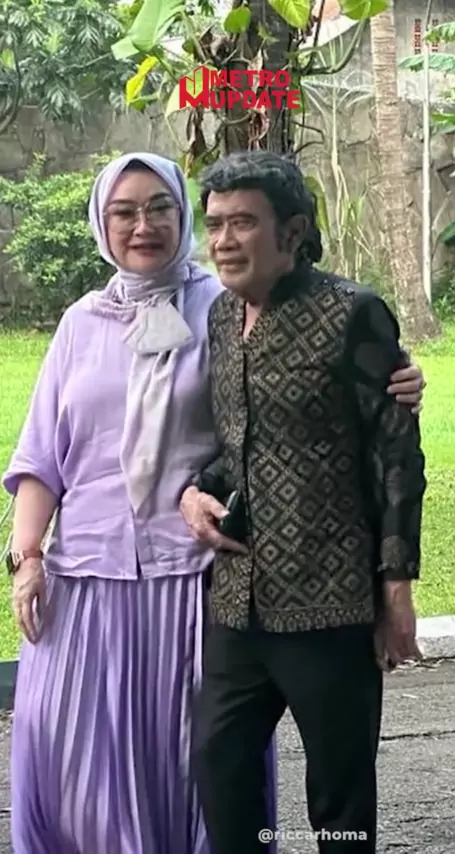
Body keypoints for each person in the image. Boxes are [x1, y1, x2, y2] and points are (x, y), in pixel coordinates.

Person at [3, 151, 279, 854]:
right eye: (124, 211)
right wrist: (27, 557)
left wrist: (394, 375)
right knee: (63, 753)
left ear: (183, 215)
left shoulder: (225, 308)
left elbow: (298, 387)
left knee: (193, 765)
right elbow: (43, 455)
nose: (143, 225)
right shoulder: (80, 322)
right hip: (85, 578)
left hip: (191, 581)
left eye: (159, 208)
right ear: (103, 224)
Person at [179, 151, 427, 854]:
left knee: (339, 799)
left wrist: (396, 585)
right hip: (238, 602)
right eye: (215, 224)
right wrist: (195, 493)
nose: (224, 240)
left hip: (331, 603)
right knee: (220, 767)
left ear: (292, 231)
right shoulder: (222, 318)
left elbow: (396, 455)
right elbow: (241, 444)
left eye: (243, 223)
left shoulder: (353, 312)